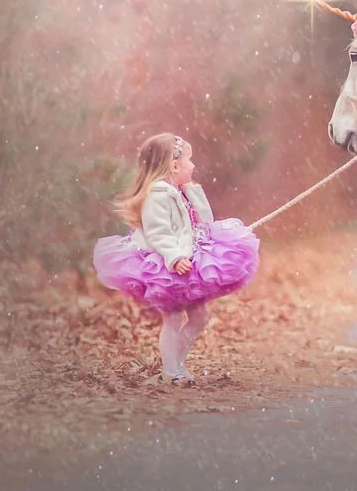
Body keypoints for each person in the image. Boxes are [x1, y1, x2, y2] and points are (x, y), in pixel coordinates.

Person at [92, 132, 260, 385]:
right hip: (166, 265)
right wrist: (173, 257)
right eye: (189, 161)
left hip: (186, 257)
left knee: (200, 317)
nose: (194, 166)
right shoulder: (158, 195)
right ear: (174, 166)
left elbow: (205, 220)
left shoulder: (178, 191)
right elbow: (158, 233)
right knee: (173, 319)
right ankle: (173, 370)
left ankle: (176, 365)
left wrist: (194, 193)